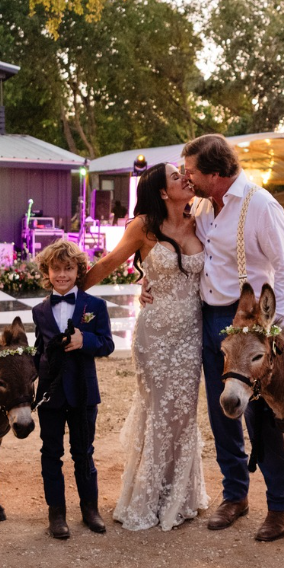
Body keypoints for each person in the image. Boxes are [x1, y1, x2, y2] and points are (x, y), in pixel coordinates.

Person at [161, 134, 284, 542]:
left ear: (215, 173)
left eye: (191, 171)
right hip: (208, 316)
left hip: (248, 321)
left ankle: (281, 504)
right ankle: (235, 495)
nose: (186, 178)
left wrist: (272, 327)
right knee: (222, 409)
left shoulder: (260, 205)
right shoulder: (204, 204)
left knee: (260, 415)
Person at [83, 162, 210, 532]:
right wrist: (70, 295)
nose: (185, 178)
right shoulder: (143, 227)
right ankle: (146, 497)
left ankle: (179, 496)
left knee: (183, 413)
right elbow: (109, 262)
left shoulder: (201, 220)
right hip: (154, 335)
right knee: (157, 411)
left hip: (191, 334)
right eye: (176, 176)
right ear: (162, 192)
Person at [31, 239, 115, 539]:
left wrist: (84, 341)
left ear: (78, 271)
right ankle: (56, 513)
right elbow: (39, 349)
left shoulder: (95, 306)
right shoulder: (40, 310)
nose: (62, 275)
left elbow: (107, 344)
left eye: (68, 269)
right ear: (47, 272)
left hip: (83, 392)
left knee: (83, 452)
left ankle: (90, 509)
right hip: (50, 392)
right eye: (56, 269)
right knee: (51, 452)